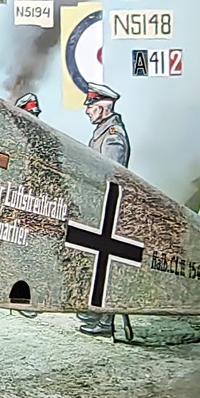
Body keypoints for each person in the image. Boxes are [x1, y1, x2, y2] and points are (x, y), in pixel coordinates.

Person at [79, 83, 130, 336]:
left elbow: (110, 175)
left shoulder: (112, 136)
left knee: (105, 264)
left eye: (91, 105)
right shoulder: (101, 132)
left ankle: (105, 321)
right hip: (96, 207)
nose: (87, 110)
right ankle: (94, 312)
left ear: (103, 106)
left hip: (106, 210)